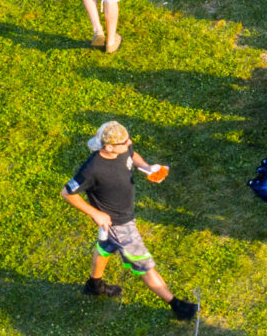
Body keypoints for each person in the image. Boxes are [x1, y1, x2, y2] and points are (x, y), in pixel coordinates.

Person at [62, 121, 191, 317]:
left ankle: (94, 285)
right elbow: (67, 193)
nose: (129, 142)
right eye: (125, 142)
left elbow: (131, 154)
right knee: (144, 265)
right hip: (119, 224)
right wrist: (96, 214)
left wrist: (146, 167)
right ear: (109, 147)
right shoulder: (92, 169)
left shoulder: (122, 147)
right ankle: (177, 305)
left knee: (105, 248)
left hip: (123, 216)